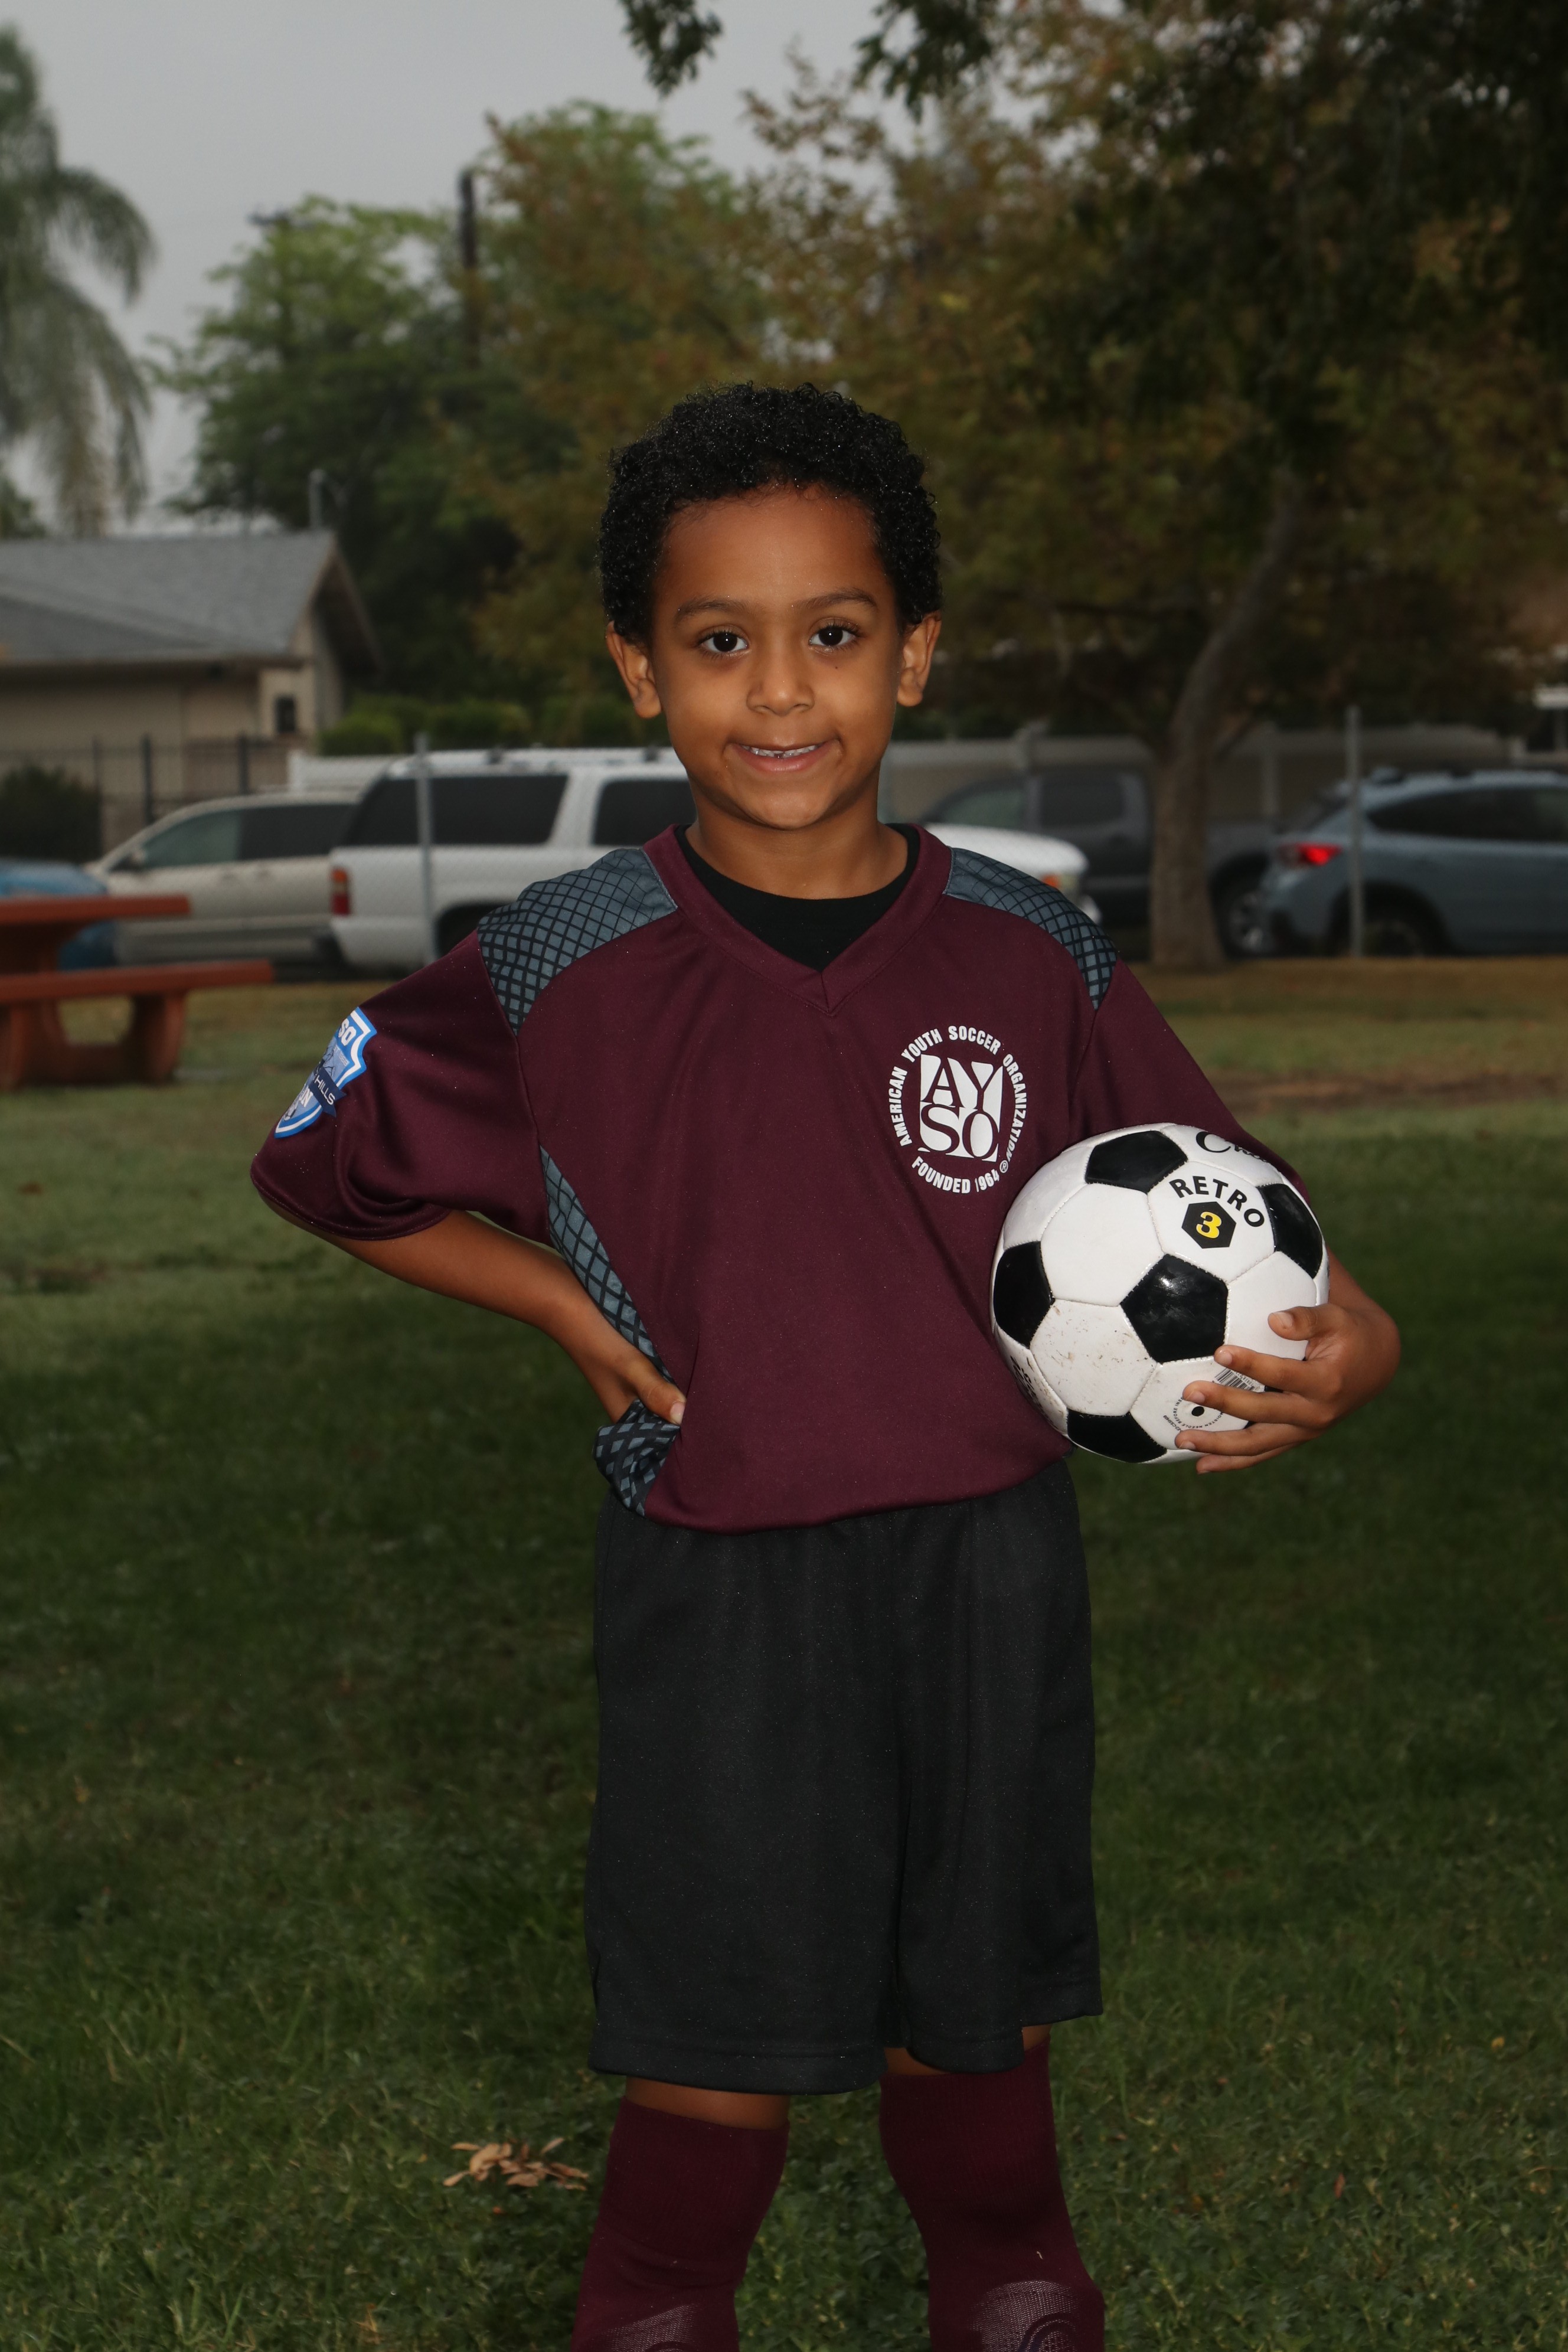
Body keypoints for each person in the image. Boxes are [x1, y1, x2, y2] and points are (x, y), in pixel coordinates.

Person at [251, 383, 1400, 2351]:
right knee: (710, 2096)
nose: (780, 690)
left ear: (914, 650)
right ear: (641, 667)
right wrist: (558, 1305)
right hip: (721, 1588)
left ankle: (1013, 2291)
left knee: (984, 2073)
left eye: (836, 633)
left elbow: (1234, 1213)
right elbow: (320, 1168)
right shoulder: (554, 960)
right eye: (720, 639)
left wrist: (1357, 1339)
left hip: (992, 1582)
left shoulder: (1032, 950)